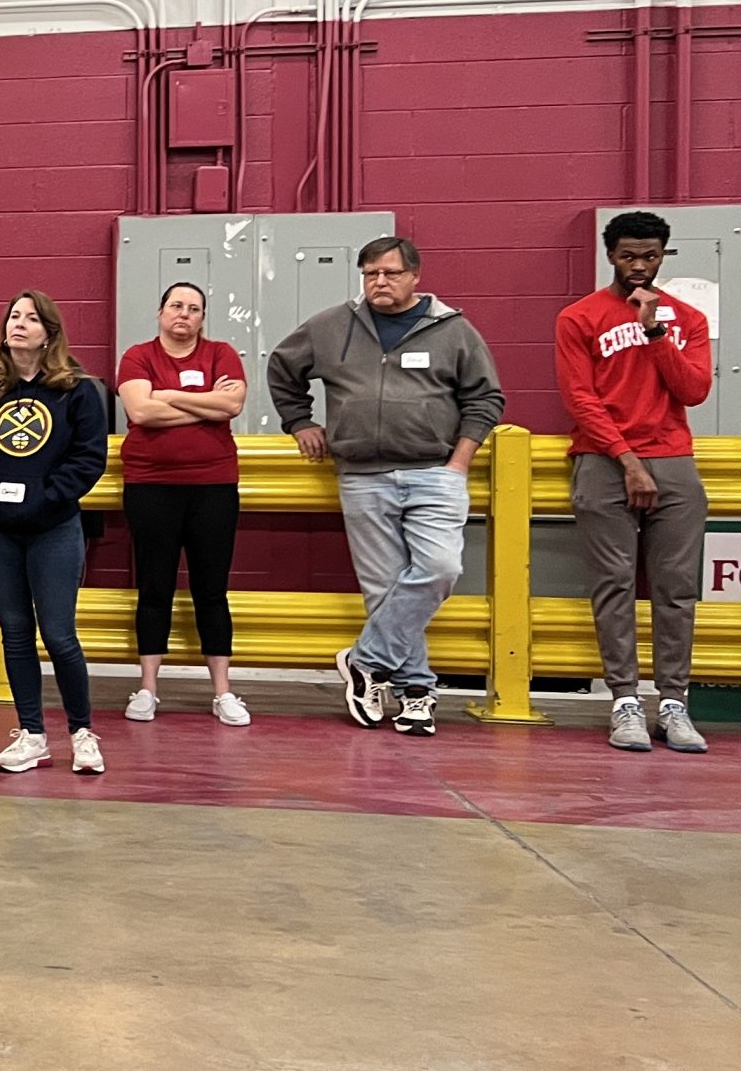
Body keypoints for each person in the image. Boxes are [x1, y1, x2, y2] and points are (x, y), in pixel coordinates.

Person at [269, 235, 504, 738]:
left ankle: (365, 659)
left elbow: (486, 398)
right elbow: (283, 368)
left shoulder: (453, 330)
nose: (379, 282)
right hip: (362, 475)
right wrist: (299, 422)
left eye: (391, 273)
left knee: (440, 569)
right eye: (370, 273)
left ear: (415, 276)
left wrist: (459, 462)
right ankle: (417, 692)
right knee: (385, 589)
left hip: (434, 473)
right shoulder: (332, 326)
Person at [558, 211, 713, 755]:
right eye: (628, 256)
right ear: (611, 256)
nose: (639, 266)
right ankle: (624, 700)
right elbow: (580, 398)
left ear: (663, 255)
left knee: (677, 589)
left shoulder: (687, 319)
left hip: (672, 460)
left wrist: (655, 333)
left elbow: (694, 391)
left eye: (649, 256)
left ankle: (673, 703)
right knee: (613, 584)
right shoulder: (579, 317)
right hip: (604, 460)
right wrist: (627, 460)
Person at [0, 291, 110, 777]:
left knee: (58, 634)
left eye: (31, 319)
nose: (19, 324)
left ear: (48, 333)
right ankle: (32, 734)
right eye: (14, 316)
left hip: (53, 527)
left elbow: (89, 459)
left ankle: (82, 733)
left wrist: (45, 496)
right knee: (14, 632)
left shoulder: (77, 390)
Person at [116, 282, 250, 727]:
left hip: (214, 486)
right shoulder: (138, 356)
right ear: (160, 312)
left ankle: (223, 692)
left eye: (194, 308)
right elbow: (141, 413)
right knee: (154, 587)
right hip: (150, 486)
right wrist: (207, 405)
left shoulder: (221, 353)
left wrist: (167, 395)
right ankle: (147, 689)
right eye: (176, 305)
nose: (184, 314)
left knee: (211, 590)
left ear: (202, 318)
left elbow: (233, 404)